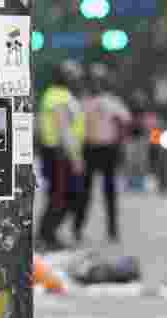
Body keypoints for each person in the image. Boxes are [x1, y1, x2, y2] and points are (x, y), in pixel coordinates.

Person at [74, 62, 130, 243]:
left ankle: (112, 230)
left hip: (108, 149)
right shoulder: (82, 102)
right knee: (85, 192)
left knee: (109, 192)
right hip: (89, 148)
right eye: (93, 80)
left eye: (100, 80)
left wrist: (119, 142)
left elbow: (125, 121)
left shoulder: (112, 101)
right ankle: (78, 228)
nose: (96, 83)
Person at [36, 60, 85, 251]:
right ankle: (46, 236)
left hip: (59, 152)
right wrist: (75, 158)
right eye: (74, 76)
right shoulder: (58, 97)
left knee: (63, 195)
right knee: (61, 196)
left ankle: (48, 234)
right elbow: (64, 129)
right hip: (59, 153)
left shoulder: (60, 95)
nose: (77, 79)